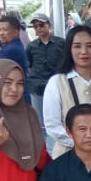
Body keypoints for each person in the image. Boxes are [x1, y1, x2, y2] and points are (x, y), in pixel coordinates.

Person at [43, 25, 91, 157]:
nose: (84, 51)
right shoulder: (57, 82)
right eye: (77, 46)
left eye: (90, 46)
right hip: (67, 156)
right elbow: (52, 126)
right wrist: (80, 142)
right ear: (69, 49)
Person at [26, 14, 66, 148]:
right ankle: (45, 150)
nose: (39, 28)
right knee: (40, 122)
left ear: (49, 24)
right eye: (35, 26)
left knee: (58, 119)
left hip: (58, 87)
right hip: (37, 88)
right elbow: (29, 65)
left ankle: (57, 148)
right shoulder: (31, 46)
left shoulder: (61, 43)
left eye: (41, 25)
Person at [0, 13, 30, 102]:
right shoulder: (12, 45)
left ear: (16, 32)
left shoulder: (11, 49)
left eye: (5, 30)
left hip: (15, 96)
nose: (1, 33)